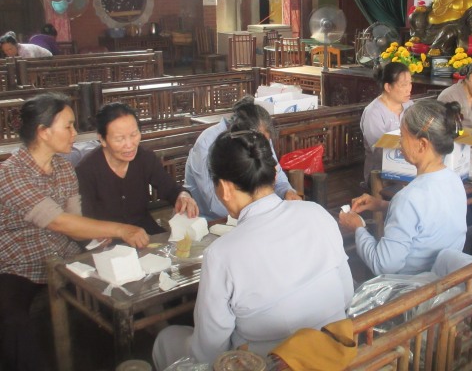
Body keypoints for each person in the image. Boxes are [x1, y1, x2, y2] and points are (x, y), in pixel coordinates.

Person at [152, 130, 353, 368]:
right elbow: (346, 294)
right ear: (274, 174)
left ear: (224, 188)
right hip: (333, 349)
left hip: (271, 363)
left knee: (166, 339)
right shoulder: (317, 213)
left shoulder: (221, 254)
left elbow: (208, 350)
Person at [0, 93, 148, 371]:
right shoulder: (10, 173)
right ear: (43, 132)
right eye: (68, 126)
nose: (75, 133)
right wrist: (121, 229)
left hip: (66, 258)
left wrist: (96, 237)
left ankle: (117, 360)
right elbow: (58, 222)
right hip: (19, 267)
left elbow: (76, 224)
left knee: (109, 300)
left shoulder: (64, 168)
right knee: (13, 321)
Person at [340, 100, 468, 275]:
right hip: (448, 278)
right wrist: (381, 205)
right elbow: (427, 218)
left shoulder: (409, 198)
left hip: (415, 287)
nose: (399, 142)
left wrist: (358, 229)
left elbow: (383, 265)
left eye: (402, 135)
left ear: (422, 144)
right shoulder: (454, 179)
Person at [76, 102, 199, 235]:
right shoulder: (87, 170)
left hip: (145, 232)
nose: (129, 145)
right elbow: (84, 222)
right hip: (107, 238)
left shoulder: (145, 158)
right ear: (102, 139)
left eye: (134, 135)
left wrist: (183, 196)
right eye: (119, 139)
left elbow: (170, 189)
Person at [184, 96, 299, 219]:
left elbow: (276, 174)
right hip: (208, 219)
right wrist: (257, 208)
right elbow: (214, 204)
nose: (261, 145)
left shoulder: (260, 138)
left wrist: (287, 191)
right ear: (241, 134)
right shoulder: (206, 143)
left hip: (251, 213)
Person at [360, 62, 414, 186]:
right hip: (381, 173)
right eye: (404, 85)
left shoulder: (409, 105)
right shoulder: (374, 112)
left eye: (410, 83)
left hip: (409, 165)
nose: (409, 89)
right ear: (388, 87)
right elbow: (379, 153)